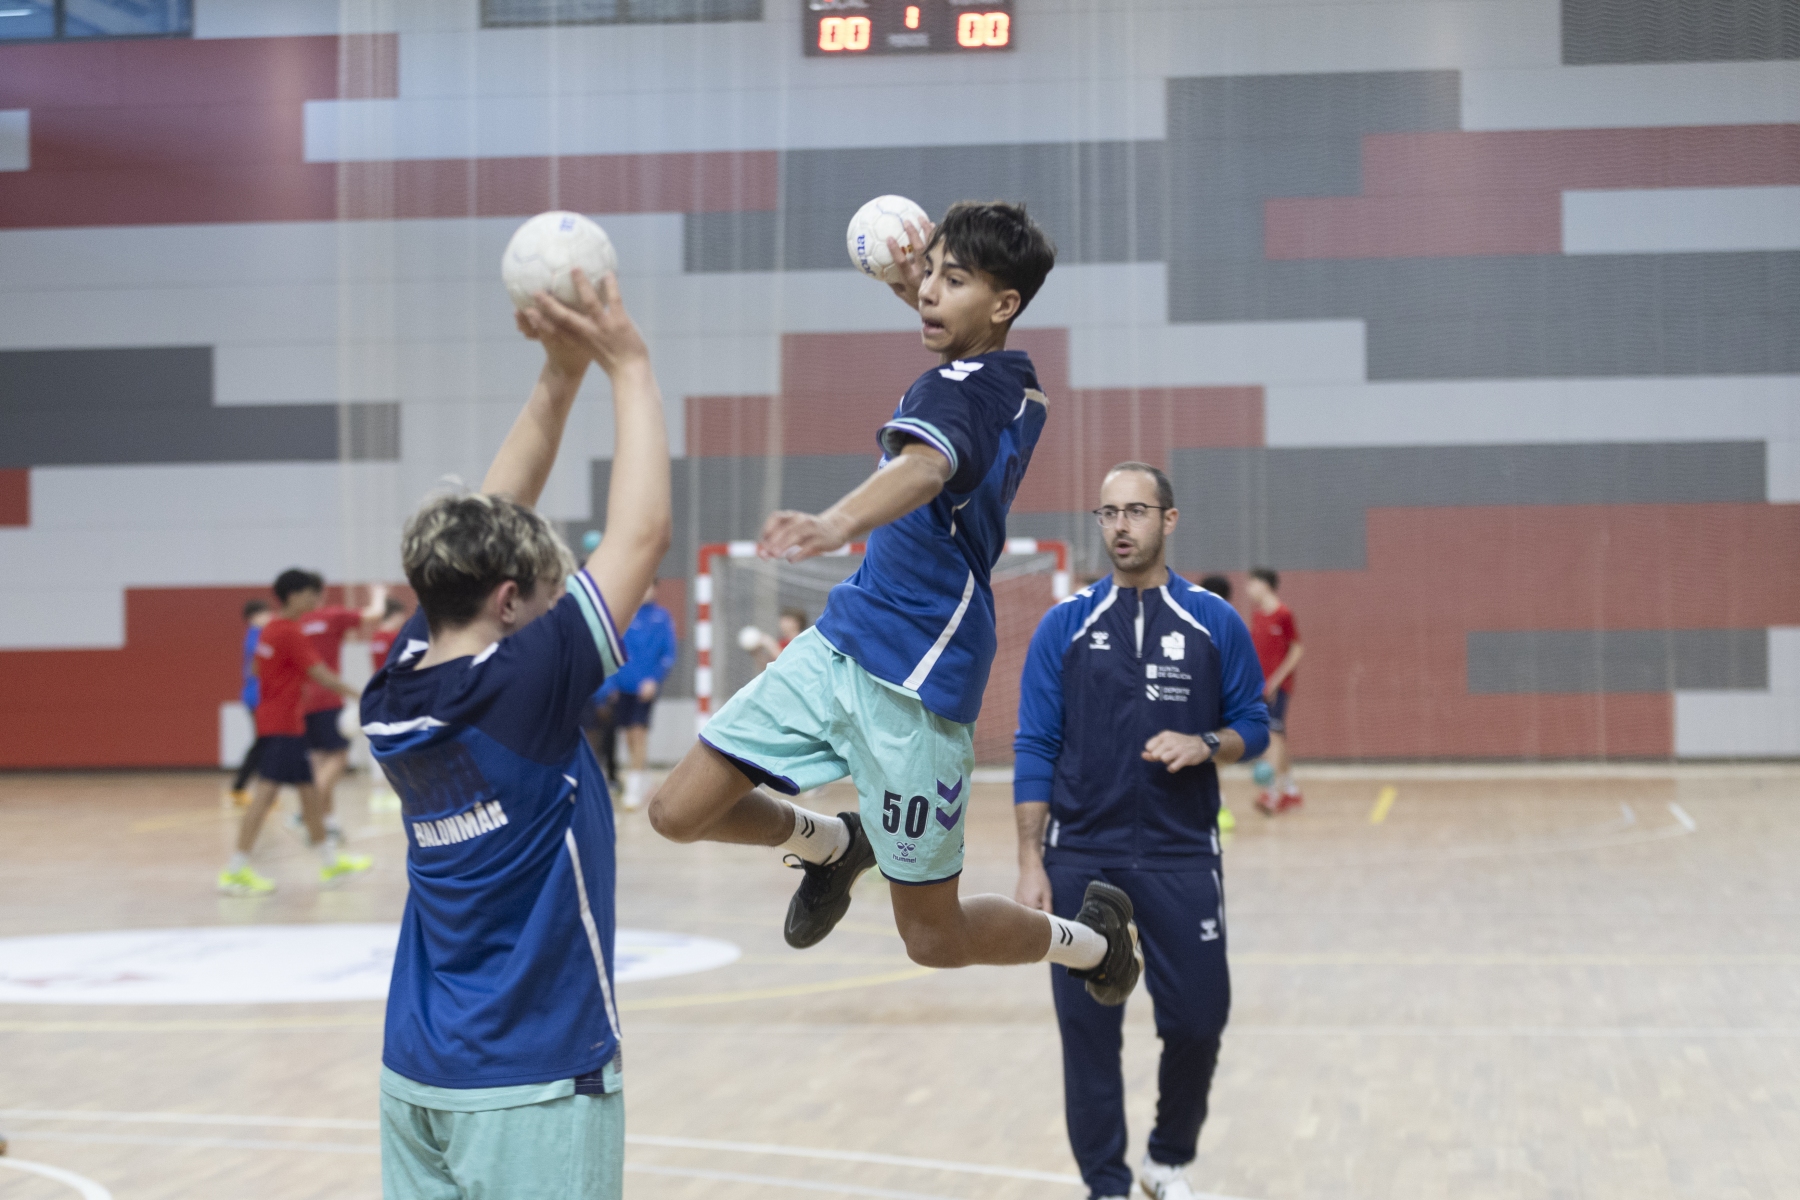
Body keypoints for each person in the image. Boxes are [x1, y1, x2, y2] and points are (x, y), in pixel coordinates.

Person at [647, 201, 1142, 1003]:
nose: (929, 293)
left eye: (954, 281)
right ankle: (833, 845)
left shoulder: (966, 394)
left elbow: (925, 467)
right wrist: (921, 277)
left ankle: (1093, 942)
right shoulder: (1006, 380)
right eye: (930, 276)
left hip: (918, 682)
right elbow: (956, 323)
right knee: (677, 812)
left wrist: (834, 523)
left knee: (933, 939)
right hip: (843, 639)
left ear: (1005, 303)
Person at [363, 266, 669, 1200]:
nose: (554, 606)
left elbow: (487, 524)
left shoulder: (396, 686)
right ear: (507, 602)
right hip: (533, 1081)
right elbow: (642, 538)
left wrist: (557, 376)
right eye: (545, 594)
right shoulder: (524, 685)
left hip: (418, 1072)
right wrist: (626, 365)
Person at [1014, 463, 1269, 1200]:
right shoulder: (1064, 626)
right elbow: (1035, 744)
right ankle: (1107, 1186)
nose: (1120, 526)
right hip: (1080, 856)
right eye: (1108, 513)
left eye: (1135, 511)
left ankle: (1166, 1158)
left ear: (1168, 519)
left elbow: (1254, 723)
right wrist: (1031, 859)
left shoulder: (1213, 622)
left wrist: (1206, 744)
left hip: (1180, 853)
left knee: (1198, 1020)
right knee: (1088, 1032)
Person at [218, 570, 369, 896]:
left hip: (282, 722)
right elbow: (321, 674)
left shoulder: (271, 629)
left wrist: (286, 680)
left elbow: (256, 669)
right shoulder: (289, 632)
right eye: (311, 593)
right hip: (282, 725)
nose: (316, 599)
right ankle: (235, 871)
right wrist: (361, 695)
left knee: (309, 793)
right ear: (294, 595)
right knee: (264, 796)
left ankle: (330, 862)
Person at [291, 579, 388, 844]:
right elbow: (374, 614)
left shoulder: (295, 623)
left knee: (319, 763)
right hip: (327, 699)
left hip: (302, 701)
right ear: (318, 595)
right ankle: (306, 811)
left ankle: (328, 826)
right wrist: (378, 594)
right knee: (338, 759)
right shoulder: (331, 616)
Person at [593, 582, 678, 811]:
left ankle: (634, 787)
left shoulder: (661, 617)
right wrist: (610, 684)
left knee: (638, 733)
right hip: (622, 688)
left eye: (651, 586)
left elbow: (668, 653)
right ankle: (642, 778)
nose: (646, 590)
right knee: (628, 736)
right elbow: (610, 651)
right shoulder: (623, 614)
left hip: (644, 690)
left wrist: (654, 680)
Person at [1245, 566, 1304, 814]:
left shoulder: (1283, 614)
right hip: (1260, 687)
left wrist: (1276, 680)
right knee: (1276, 737)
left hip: (1278, 687)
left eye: (1252, 583)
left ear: (1265, 585)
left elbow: (1297, 649)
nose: (1248, 589)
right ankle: (1291, 791)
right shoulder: (1258, 616)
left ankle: (1270, 793)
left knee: (1273, 736)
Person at [1196, 574, 1238, 831]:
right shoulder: (1231, 623)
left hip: (1206, 698)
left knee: (1208, 753)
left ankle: (1218, 805)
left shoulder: (1203, 622)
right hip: (1216, 698)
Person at [365, 596, 410, 812]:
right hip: (394, 694)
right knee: (398, 742)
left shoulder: (376, 637)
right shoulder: (395, 637)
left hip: (380, 693)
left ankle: (379, 792)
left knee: (380, 741)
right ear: (396, 614)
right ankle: (392, 792)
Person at [226, 597, 273, 806]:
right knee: (263, 744)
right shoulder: (257, 636)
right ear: (253, 617)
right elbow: (259, 666)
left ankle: (260, 791)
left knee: (264, 744)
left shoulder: (259, 635)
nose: (270, 617)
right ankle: (240, 788)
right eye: (265, 613)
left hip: (260, 697)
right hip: (257, 697)